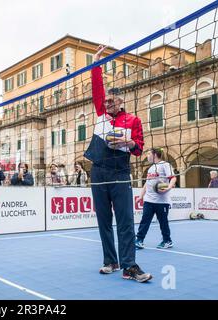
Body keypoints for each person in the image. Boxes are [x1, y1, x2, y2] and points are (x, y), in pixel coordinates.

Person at [84, 46, 152, 283]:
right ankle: (110, 261)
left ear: (121, 102)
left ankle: (129, 267)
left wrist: (129, 141)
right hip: (99, 171)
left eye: (113, 101)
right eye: (107, 100)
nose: (109, 103)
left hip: (121, 171)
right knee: (103, 220)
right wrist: (96, 64)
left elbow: (140, 148)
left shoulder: (133, 120)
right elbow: (97, 89)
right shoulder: (101, 113)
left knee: (125, 221)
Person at [135, 148, 177, 250]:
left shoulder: (165, 165)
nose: (147, 156)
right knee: (145, 221)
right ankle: (139, 240)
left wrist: (169, 187)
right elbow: (147, 183)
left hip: (162, 201)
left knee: (163, 222)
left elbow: (173, 178)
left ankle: (167, 240)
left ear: (155, 155)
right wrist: (141, 196)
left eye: (149, 153)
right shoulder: (151, 168)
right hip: (149, 200)